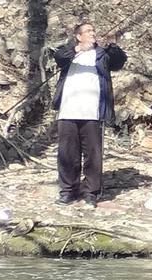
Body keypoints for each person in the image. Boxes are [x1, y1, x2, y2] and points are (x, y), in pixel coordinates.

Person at [52, 21, 126, 208]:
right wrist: (78, 48)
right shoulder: (70, 52)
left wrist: (113, 46)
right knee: (67, 153)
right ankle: (68, 191)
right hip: (68, 110)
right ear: (78, 36)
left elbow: (119, 61)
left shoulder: (102, 55)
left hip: (92, 111)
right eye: (88, 31)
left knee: (93, 154)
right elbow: (59, 57)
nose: (92, 33)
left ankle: (91, 193)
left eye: (94, 30)